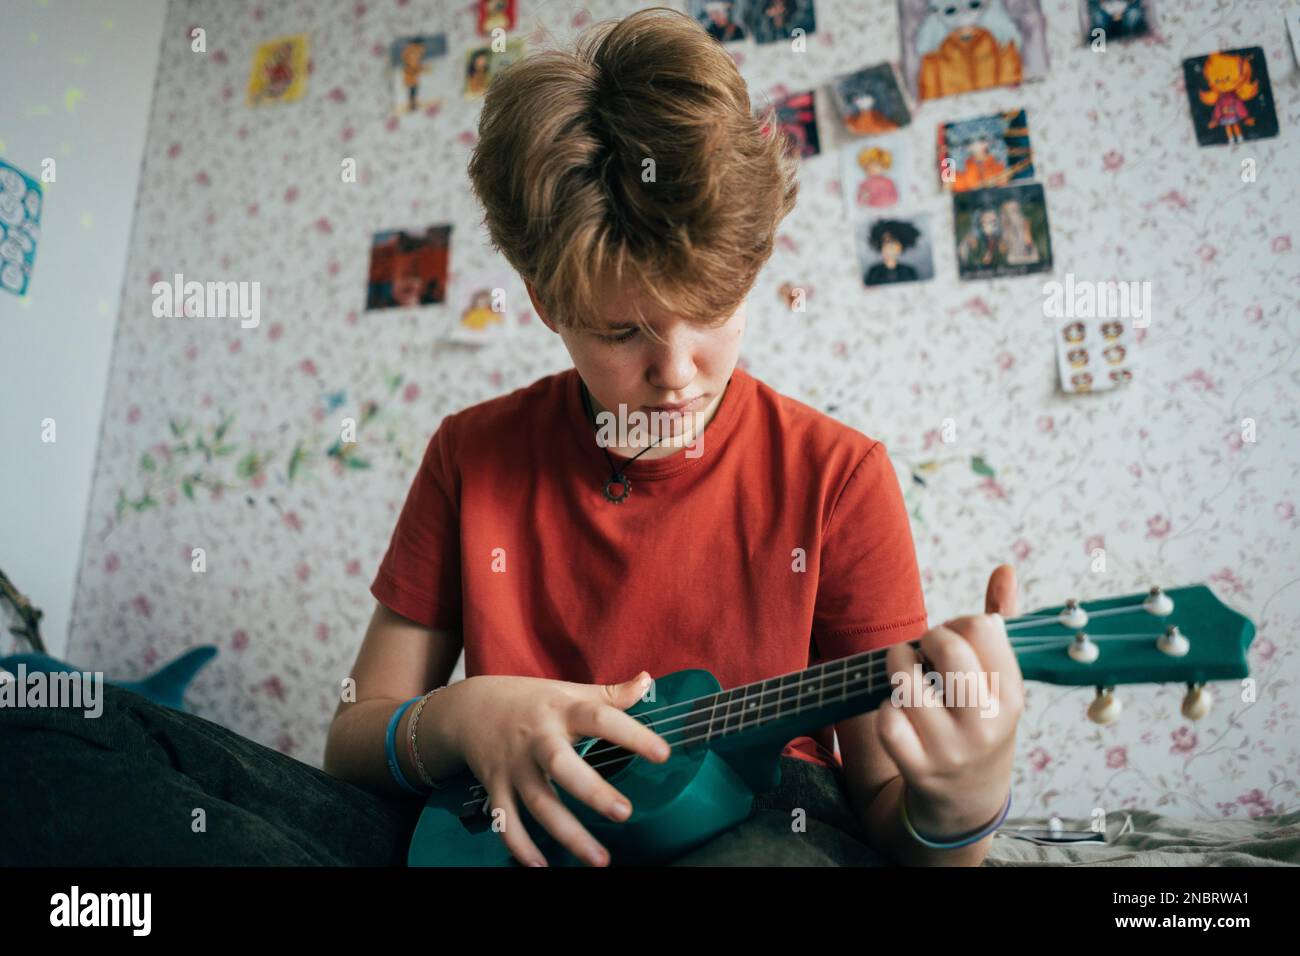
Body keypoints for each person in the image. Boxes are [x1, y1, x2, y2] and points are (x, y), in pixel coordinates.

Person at [324, 8, 1023, 868]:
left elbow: (891, 820)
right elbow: (353, 736)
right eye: (622, 334)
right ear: (546, 307)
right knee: (123, 741)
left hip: (761, 830)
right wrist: (467, 716)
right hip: (501, 833)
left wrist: (963, 801)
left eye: (714, 316)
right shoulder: (471, 453)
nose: (679, 373)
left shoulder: (841, 478)